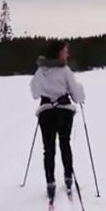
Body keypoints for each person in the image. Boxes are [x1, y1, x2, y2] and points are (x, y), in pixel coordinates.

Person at [29, 40, 85, 201]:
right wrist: (80, 93)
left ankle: (50, 182)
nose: (67, 53)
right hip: (64, 112)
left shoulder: (40, 72)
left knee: (48, 148)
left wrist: (46, 92)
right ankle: (68, 178)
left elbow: (34, 91)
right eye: (65, 51)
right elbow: (77, 95)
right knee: (64, 144)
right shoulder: (65, 71)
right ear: (58, 53)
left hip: (46, 112)